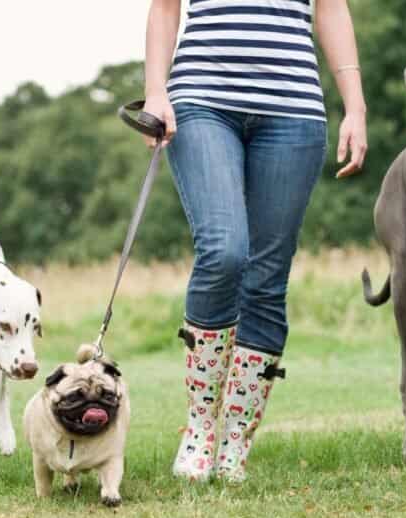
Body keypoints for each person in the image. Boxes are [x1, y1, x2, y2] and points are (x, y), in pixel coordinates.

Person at [143, 0, 367, 483]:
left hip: (293, 111)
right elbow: (164, 8)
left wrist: (355, 105)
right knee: (224, 249)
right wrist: (154, 91)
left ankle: (236, 436)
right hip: (202, 100)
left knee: (267, 278)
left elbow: (332, 10)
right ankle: (201, 425)